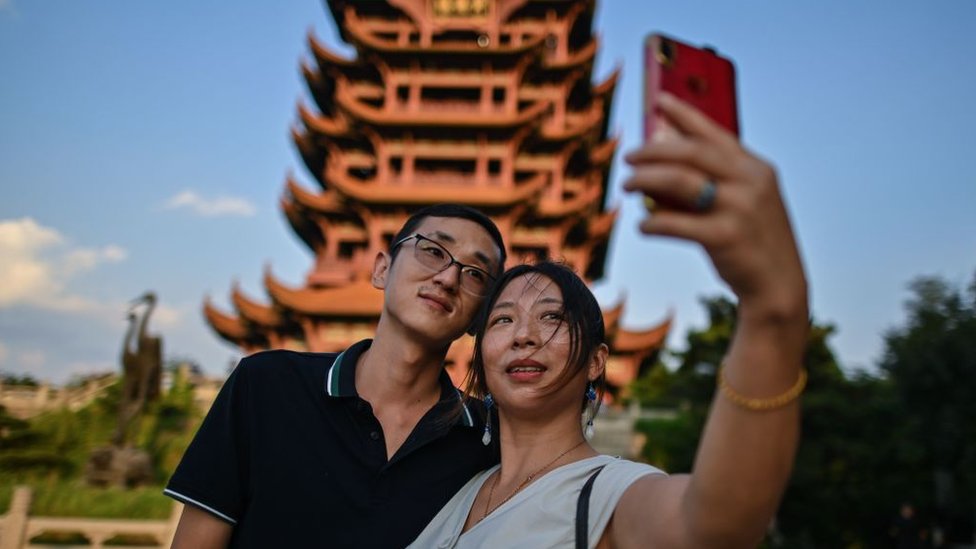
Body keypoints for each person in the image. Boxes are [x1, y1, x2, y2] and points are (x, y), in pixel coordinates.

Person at [410, 92, 809, 548]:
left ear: (597, 361)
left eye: (553, 318)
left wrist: (772, 314)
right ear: (479, 351)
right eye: (502, 320)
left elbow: (714, 524)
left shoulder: (611, 493)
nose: (524, 336)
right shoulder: (450, 494)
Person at [165, 204, 507, 548]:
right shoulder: (266, 385)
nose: (448, 278)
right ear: (381, 270)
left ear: (480, 317)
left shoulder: (486, 440)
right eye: (433, 251)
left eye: (475, 273)